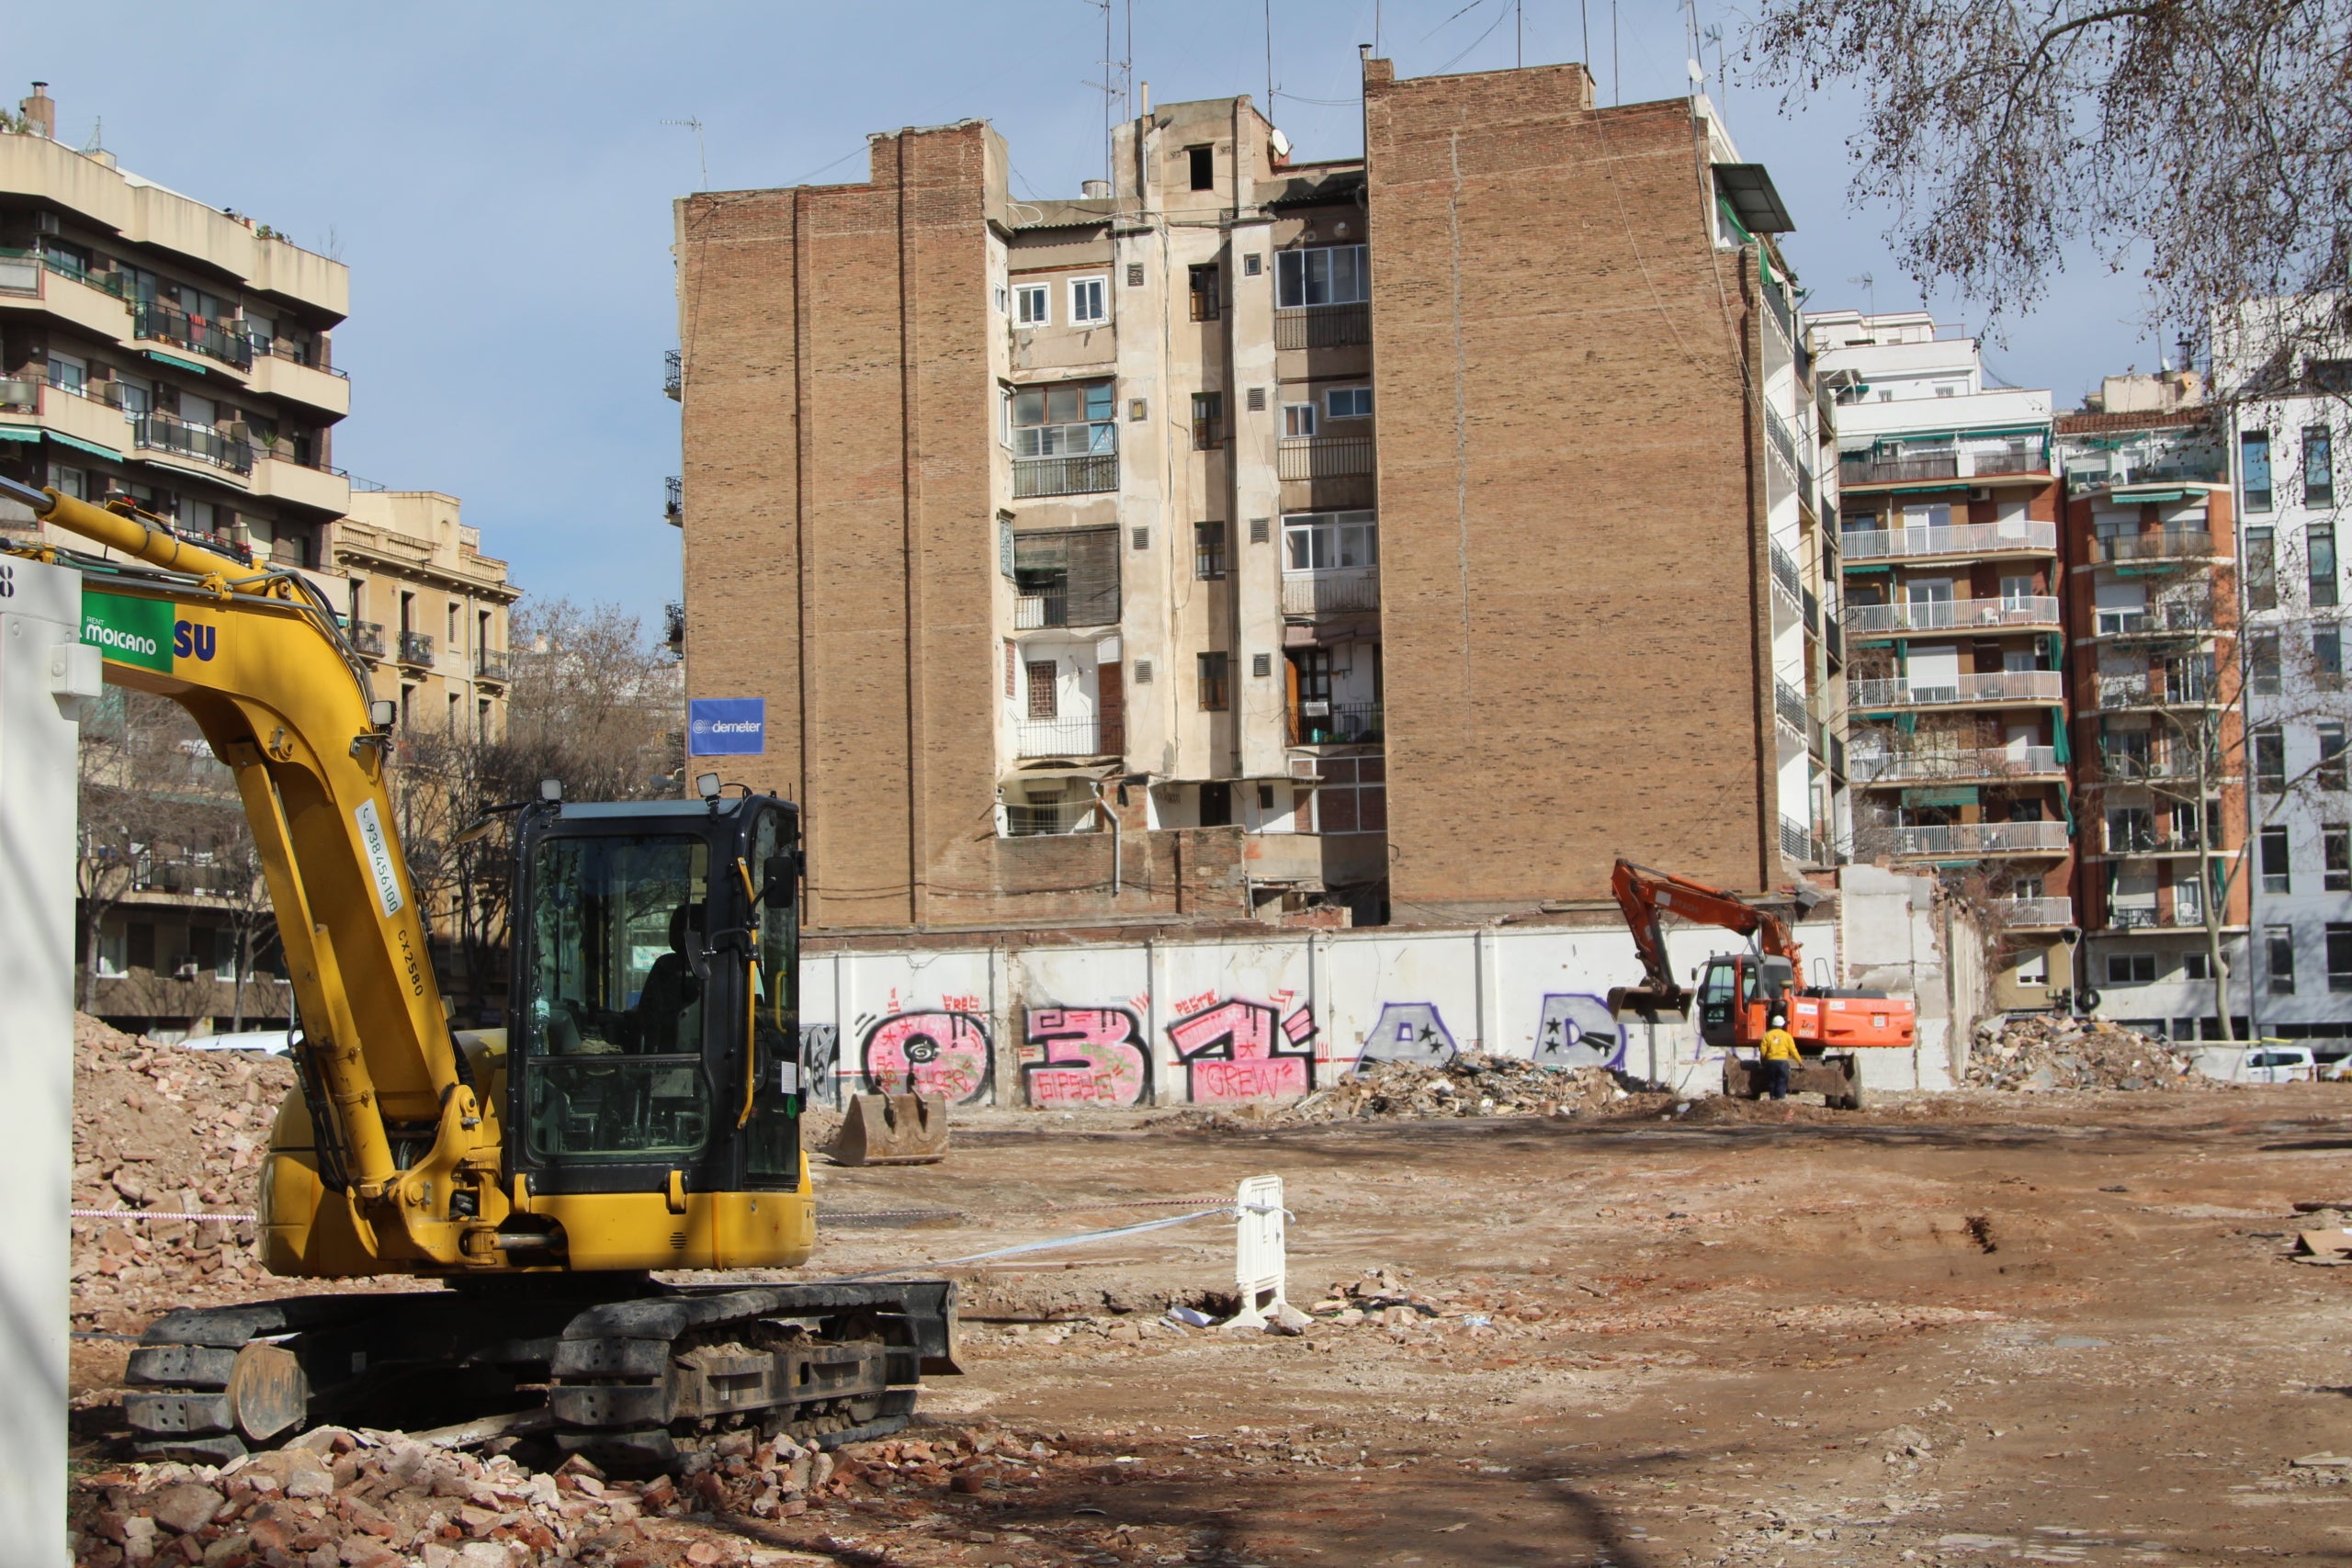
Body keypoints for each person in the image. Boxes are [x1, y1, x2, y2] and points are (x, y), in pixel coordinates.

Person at [1759, 1013, 1800, 1101]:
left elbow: (1763, 1050)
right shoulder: (1787, 1036)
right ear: (1783, 1025)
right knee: (1782, 1080)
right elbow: (1793, 1050)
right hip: (1783, 1062)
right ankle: (1780, 1098)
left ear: (1773, 1024)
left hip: (1771, 1062)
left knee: (1772, 1080)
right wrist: (1800, 1061)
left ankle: (1772, 1098)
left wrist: (1763, 1060)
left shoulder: (1767, 1035)